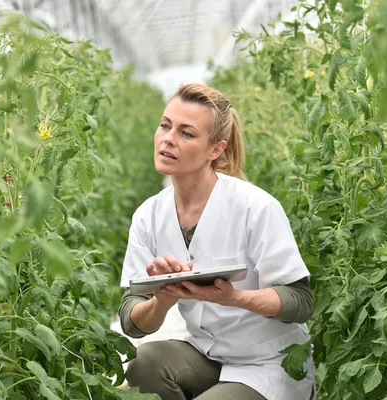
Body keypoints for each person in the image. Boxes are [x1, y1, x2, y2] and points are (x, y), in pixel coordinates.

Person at [118, 83, 315, 400]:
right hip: (206, 356)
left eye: (186, 133)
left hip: (268, 364)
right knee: (144, 365)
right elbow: (131, 319)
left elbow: (300, 302)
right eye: (165, 125)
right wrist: (162, 299)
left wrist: (233, 298)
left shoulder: (254, 207)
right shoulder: (148, 216)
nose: (168, 138)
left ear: (216, 149)